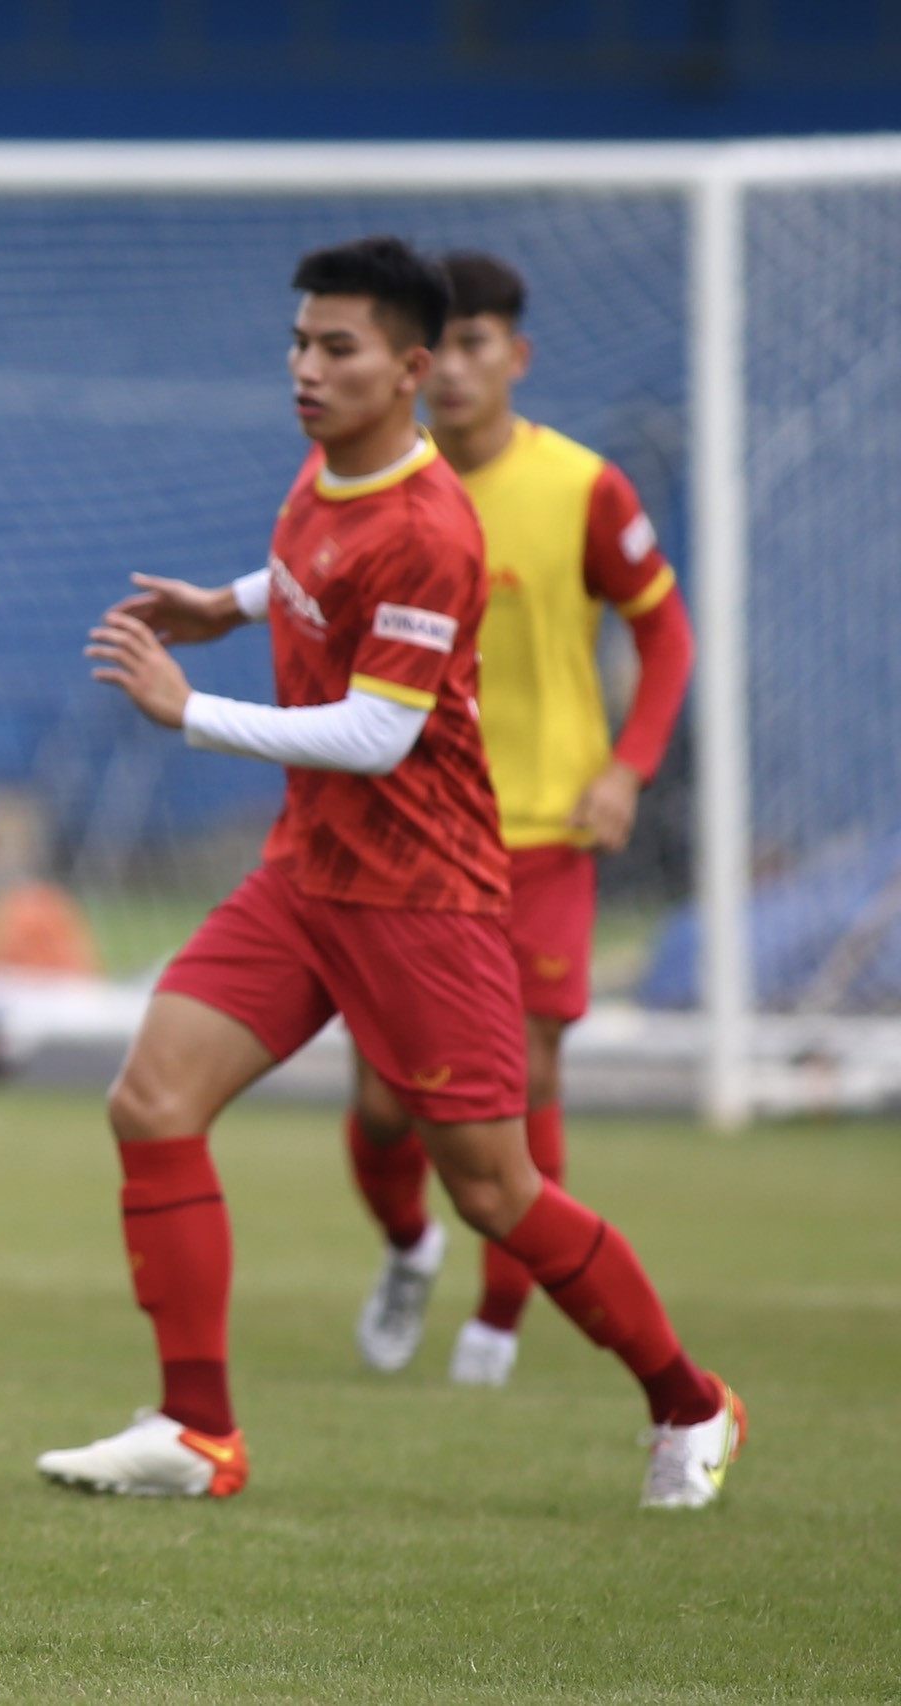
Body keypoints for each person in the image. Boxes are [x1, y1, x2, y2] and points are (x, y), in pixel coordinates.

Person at [49, 237, 742, 1510]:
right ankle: (196, 1431)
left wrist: (188, 707)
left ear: (412, 369)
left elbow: (381, 731)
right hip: (306, 876)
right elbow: (319, 572)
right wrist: (233, 600)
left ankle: (690, 1400)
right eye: (300, 345)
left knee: (496, 1188)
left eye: (337, 349)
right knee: (151, 1100)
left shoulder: (434, 528)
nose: (305, 370)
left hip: (422, 900)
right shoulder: (327, 476)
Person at [346, 251, 696, 1387]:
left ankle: (499, 1314)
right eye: (434, 348)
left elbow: (665, 635)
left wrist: (628, 767)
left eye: (474, 345)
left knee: (523, 1079)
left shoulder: (583, 488)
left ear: (515, 356)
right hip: (407, 834)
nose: (451, 370)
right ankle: (408, 1247)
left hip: (541, 830)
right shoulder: (380, 484)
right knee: (384, 1101)